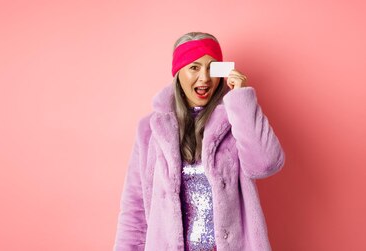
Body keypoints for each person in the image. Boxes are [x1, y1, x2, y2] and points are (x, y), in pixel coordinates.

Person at [113, 32, 285, 251]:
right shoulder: (150, 130)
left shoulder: (234, 120)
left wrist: (241, 99)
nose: (204, 78)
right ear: (178, 73)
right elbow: (134, 210)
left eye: (212, 68)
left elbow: (266, 164)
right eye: (194, 67)